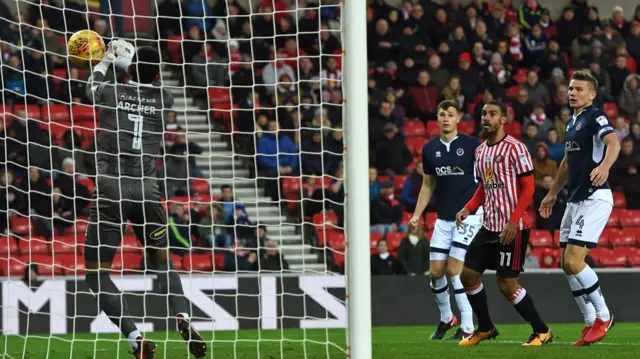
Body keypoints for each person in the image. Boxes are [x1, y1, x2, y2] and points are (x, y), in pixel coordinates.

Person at [84, 40, 206, 358]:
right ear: (156, 75)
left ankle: (136, 338)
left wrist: (108, 60)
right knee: (162, 263)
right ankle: (183, 317)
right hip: (148, 190)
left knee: (96, 275)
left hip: (112, 188)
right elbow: (142, 83)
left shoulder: (111, 91)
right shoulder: (164, 98)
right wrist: (132, 67)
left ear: (130, 68)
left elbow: (91, 87)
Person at [456, 100, 552, 347]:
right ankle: (486, 328)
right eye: (483, 113)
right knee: (467, 275)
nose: (486, 117)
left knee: (506, 284)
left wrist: (513, 220)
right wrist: (468, 208)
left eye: (492, 114)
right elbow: (483, 188)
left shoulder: (515, 148)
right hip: (489, 226)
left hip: (514, 227)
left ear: (503, 119)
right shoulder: (480, 151)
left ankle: (542, 331)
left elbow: (529, 188)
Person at [539, 71, 619, 346]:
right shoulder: (572, 122)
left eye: (579, 89)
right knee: (566, 264)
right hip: (574, 199)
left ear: (592, 94)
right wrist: (552, 193)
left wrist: (605, 166)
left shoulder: (595, 116)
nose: (572, 92)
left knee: (575, 261)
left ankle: (604, 316)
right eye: (571, 88)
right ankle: (588, 321)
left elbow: (613, 142)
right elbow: (566, 164)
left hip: (595, 197)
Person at [409, 100, 481, 340]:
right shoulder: (430, 149)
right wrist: (417, 214)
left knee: (454, 270)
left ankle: (468, 327)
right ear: (438, 119)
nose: (446, 118)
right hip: (443, 219)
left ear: (458, 118)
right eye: (442, 115)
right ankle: (446, 318)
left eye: (451, 114)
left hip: (469, 216)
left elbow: (485, 180)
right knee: (435, 272)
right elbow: (428, 184)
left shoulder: (472, 145)